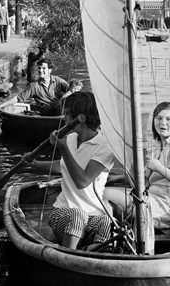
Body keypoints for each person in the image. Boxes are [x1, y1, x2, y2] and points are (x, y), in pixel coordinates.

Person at [28, 92, 115, 249]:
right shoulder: (70, 138)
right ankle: (70, 253)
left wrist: (62, 148)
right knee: (77, 214)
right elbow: (63, 165)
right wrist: (35, 164)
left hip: (93, 214)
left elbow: (82, 181)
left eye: (67, 114)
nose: (64, 119)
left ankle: (94, 251)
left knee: (107, 221)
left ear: (79, 118)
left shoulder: (105, 147)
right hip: (64, 211)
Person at [106, 101, 170, 229]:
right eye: (159, 118)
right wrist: (114, 178)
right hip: (150, 198)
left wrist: (159, 168)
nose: (162, 123)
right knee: (103, 192)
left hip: (168, 208)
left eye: (168, 119)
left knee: (107, 197)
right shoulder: (159, 146)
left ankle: (118, 241)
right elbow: (143, 179)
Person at [3, 57, 68, 115]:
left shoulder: (58, 81)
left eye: (44, 68)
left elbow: (72, 89)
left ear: (50, 70)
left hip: (59, 110)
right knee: (61, 104)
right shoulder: (34, 86)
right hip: (46, 111)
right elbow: (18, 98)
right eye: (39, 68)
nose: (41, 70)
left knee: (70, 97)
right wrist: (1, 106)